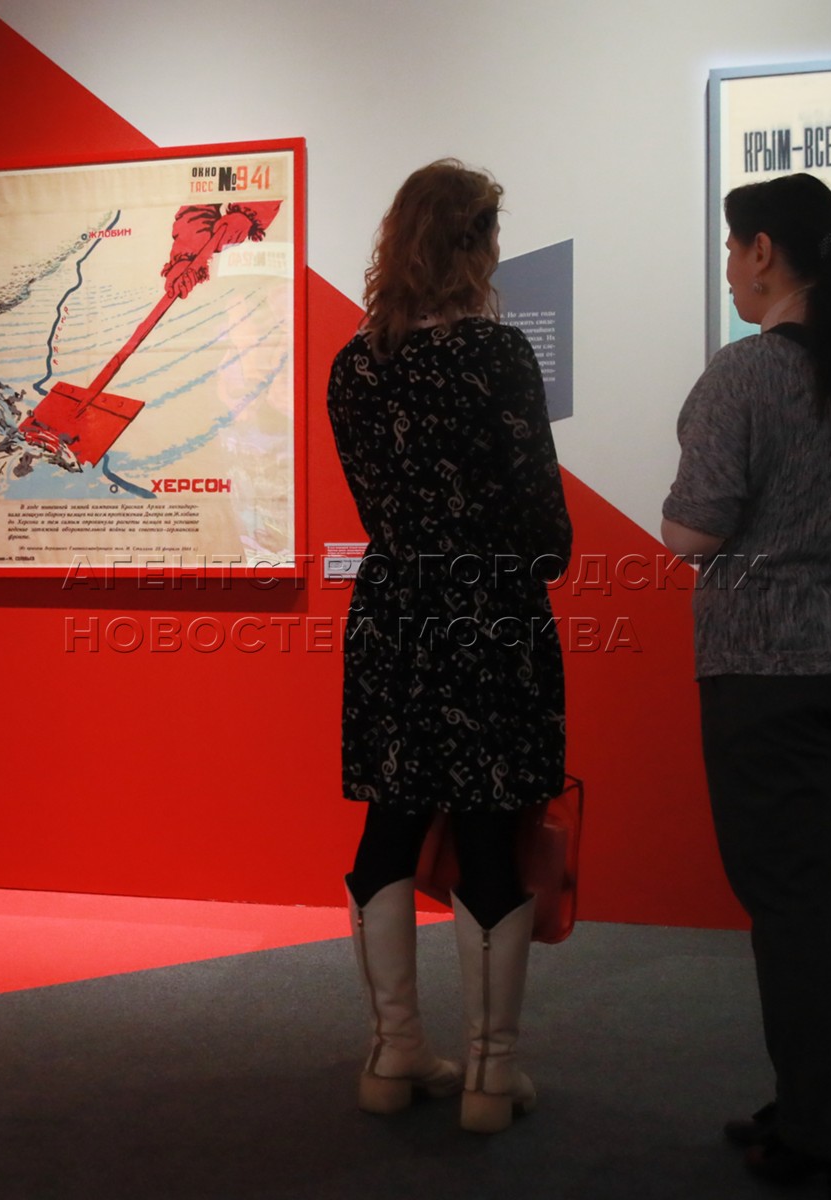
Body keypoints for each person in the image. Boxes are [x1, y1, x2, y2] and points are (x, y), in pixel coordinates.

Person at [662, 172, 831, 1198]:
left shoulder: (743, 375)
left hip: (768, 668)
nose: (731, 269)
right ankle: (816, 1097)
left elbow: (692, 531)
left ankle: (821, 1132)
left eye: (735, 251)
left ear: (765, 252)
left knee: (789, 904)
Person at [325, 160, 572, 1136]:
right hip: (490, 612)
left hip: (393, 610)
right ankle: (488, 1076)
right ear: (473, 243)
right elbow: (544, 527)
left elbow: (377, 505)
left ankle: (391, 1054)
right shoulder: (497, 355)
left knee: (389, 826)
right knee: (489, 834)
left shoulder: (355, 365)